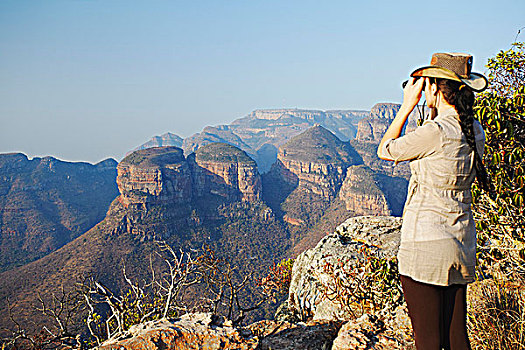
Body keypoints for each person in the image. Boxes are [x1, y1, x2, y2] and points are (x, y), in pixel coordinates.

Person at [377, 53, 491, 350]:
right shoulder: (474, 130)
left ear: (436, 89)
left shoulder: (436, 132)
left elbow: (386, 150)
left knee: (428, 341)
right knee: (456, 338)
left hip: (426, 245)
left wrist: (406, 106)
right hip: (461, 242)